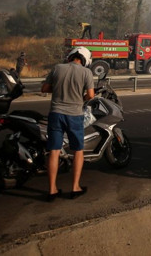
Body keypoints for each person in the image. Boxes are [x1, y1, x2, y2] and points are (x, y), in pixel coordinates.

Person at [41, 46, 95, 201]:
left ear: (71, 56)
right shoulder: (86, 73)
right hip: (75, 115)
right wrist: (80, 97)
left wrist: (59, 89)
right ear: (85, 60)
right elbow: (90, 95)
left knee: (54, 151)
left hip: (56, 114)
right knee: (78, 150)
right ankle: (75, 187)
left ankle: (52, 190)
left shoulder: (57, 68)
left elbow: (44, 88)